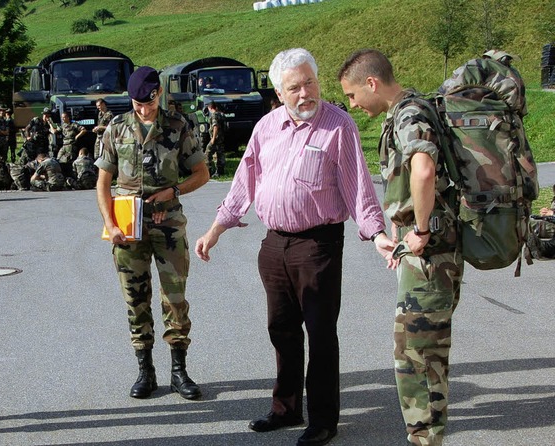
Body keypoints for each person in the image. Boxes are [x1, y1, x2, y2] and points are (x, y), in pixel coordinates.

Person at [195, 48, 388, 446]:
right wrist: (216, 229)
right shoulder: (266, 127)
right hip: (274, 245)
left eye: (310, 83)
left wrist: (378, 235)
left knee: (319, 334)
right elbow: (243, 182)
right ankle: (285, 409)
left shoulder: (339, 127)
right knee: (281, 330)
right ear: (279, 93)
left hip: (318, 245)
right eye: (294, 87)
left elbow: (359, 191)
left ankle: (322, 421)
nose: (305, 94)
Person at [338, 49, 463, 446]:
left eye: (353, 95)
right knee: (420, 356)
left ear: (372, 83)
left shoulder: (410, 114)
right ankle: (425, 437)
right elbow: (409, 179)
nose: (353, 105)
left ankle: (425, 439)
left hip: (431, 256)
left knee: (418, 361)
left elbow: (423, 169)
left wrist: (421, 231)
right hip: (425, 257)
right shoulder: (410, 111)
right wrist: (401, 226)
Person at [95, 66, 209, 401]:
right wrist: (111, 224)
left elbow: (201, 173)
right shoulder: (116, 128)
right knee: (136, 298)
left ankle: (179, 371)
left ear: (158, 93)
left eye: (148, 102)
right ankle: (145, 371)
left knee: (174, 298)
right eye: (136, 103)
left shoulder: (178, 125)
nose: (143, 109)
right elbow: (102, 183)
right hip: (128, 227)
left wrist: (173, 191)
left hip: (168, 225)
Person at [53, 111, 87, 178]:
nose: (63, 119)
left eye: (64, 117)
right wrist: (50, 123)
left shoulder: (74, 124)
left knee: (69, 161)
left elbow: (84, 130)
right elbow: (54, 131)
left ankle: (72, 176)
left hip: (71, 145)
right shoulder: (63, 125)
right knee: (58, 159)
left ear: (68, 117)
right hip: (64, 145)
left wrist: (77, 136)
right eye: (62, 118)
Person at [205, 101, 226, 178]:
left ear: (210, 108)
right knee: (219, 154)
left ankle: (208, 171)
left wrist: (213, 138)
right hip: (221, 138)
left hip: (216, 138)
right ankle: (220, 171)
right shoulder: (221, 115)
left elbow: (215, 126)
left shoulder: (214, 116)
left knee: (207, 153)